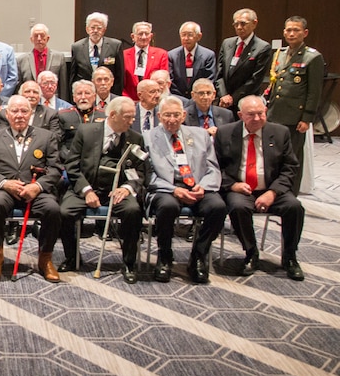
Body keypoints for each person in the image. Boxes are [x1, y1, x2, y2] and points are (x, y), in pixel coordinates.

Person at [58, 96, 148, 283]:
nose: (132, 121)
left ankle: (129, 262)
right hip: (87, 187)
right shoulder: (86, 132)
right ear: (113, 115)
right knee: (64, 212)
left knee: (133, 211)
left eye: (133, 117)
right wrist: (87, 191)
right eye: (128, 117)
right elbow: (72, 166)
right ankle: (72, 256)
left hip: (117, 191)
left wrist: (127, 187)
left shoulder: (135, 137)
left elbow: (140, 171)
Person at [215, 96, 305, 280]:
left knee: (294, 207)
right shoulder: (225, 133)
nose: (257, 118)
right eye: (251, 115)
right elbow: (215, 167)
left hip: (273, 188)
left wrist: (273, 192)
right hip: (239, 188)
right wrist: (233, 185)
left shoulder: (280, 133)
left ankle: (290, 256)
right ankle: (251, 252)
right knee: (238, 207)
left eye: (260, 113)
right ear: (240, 115)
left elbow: (290, 168)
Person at [0, 95, 63, 282]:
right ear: (7, 114)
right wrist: (4, 183)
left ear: (31, 114)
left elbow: (56, 168)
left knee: (53, 209)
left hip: (36, 189)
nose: (19, 115)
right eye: (15, 111)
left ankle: (45, 259)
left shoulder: (46, 136)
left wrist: (38, 186)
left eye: (24, 111)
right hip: (5, 189)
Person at [145, 96, 225, 284]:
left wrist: (202, 187)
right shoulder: (148, 137)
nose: (171, 119)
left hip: (197, 186)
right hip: (166, 188)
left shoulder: (200, 135)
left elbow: (213, 167)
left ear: (183, 115)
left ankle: (198, 255)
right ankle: (164, 256)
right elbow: (148, 174)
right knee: (167, 208)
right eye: (166, 115)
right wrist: (174, 190)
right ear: (159, 116)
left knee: (218, 207)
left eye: (175, 115)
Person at [266, 15, 324, 195]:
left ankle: (291, 193)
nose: (291, 34)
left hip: (294, 117)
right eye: (288, 30)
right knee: (274, 155)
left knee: (292, 157)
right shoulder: (280, 54)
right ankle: (274, 190)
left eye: (296, 30)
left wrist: (307, 118)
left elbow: (314, 92)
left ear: (305, 33)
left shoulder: (312, 57)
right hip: (275, 113)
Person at [216, 8, 271, 110]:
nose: (239, 27)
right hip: (223, 101)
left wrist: (233, 98)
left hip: (246, 101)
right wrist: (223, 95)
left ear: (254, 23)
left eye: (243, 24)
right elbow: (220, 73)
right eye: (236, 24)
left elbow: (255, 80)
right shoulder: (227, 43)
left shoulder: (262, 47)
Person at [69, 12, 124, 96]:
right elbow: (74, 75)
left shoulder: (115, 45)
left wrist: (116, 97)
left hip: (108, 94)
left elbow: (119, 75)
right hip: (85, 94)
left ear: (104, 30)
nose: (95, 31)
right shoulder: (77, 47)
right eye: (92, 28)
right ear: (87, 29)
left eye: (99, 28)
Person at [16, 24, 69, 101]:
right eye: (36, 36)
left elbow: (63, 86)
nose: (39, 38)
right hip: (30, 100)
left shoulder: (59, 57)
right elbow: (19, 86)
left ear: (47, 38)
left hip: (52, 101)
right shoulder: (22, 60)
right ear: (31, 39)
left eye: (42, 35)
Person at [168, 22, 217, 99]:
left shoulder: (208, 55)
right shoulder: (172, 55)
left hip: (200, 98)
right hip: (177, 98)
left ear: (199, 36)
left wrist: (196, 96)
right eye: (183, 35)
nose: (186, 38)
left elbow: (209, 79)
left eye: (190, 35)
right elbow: (170, 80)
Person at [122, 22, 169, 101]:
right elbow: (120, 80)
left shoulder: (161, 54)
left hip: (153, 100)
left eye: (146, 34)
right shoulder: (123, 55)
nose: (144, 37)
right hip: (129, 100)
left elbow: (163, 81)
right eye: (140, 34)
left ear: (151, 36)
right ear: (133, 36)